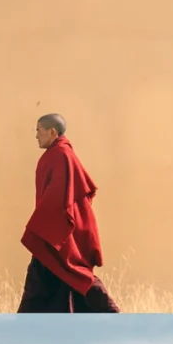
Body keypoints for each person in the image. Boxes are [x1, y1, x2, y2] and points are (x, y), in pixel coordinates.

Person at [17, 114, 120, 313]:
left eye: (38, 130)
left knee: (66, 278)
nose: (36, 136)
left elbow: (58, 199)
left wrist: (39, 229)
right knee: (61, 283)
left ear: (52, 132)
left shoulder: (61, 155)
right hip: (54, 233)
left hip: (56, 235)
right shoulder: (59, 154)